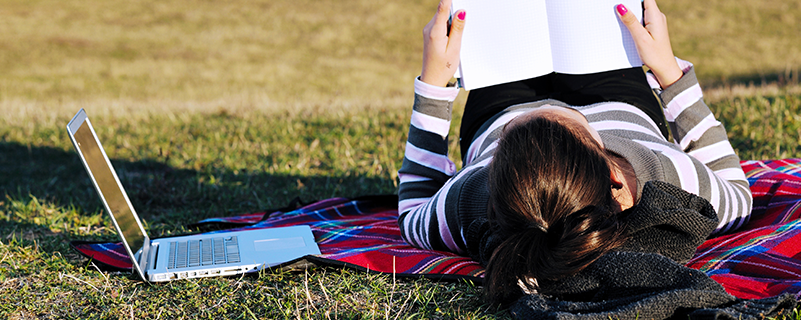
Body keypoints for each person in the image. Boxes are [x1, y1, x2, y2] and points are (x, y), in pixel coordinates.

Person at [397, 0, 753, 307]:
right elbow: (738, 193)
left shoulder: (470, 200)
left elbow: (413, 208)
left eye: (508, 133)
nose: (549, 106)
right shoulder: (669, 180)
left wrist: (433, 83)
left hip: (501, 96)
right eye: (569, 119)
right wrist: (669, 73)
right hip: (616, 91)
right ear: (613, 174)